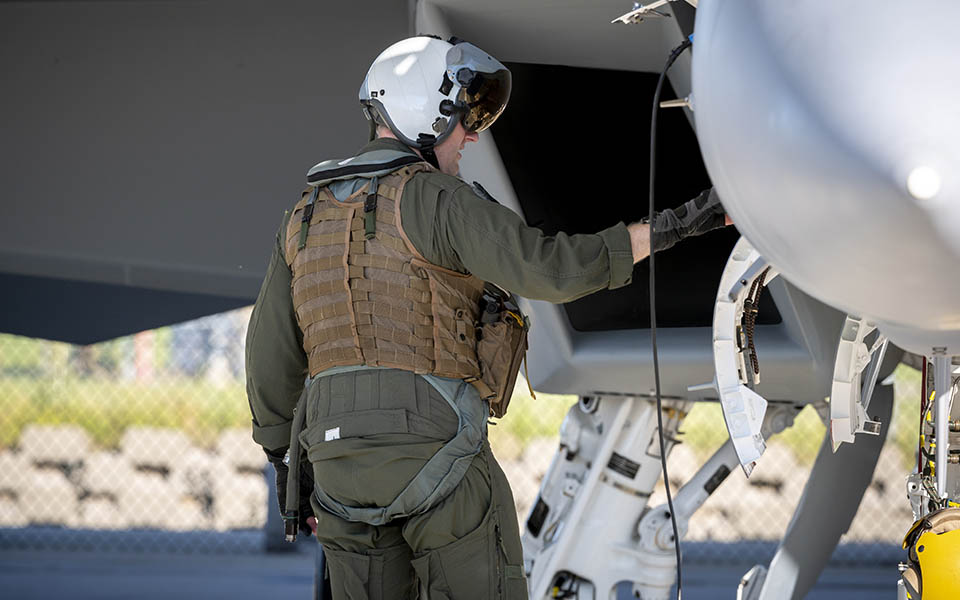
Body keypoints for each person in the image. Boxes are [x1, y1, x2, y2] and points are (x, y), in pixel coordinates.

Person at [245, 35, 728, 600]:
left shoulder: (301, 218)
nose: (472, 135)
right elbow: (554, 270)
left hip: (335, 467)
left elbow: (268, 357)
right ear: (427, 115)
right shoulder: (437, 200)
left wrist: (286, 466)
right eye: (464, 116)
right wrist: (680, 225)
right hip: (436, 455)